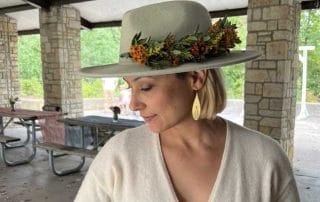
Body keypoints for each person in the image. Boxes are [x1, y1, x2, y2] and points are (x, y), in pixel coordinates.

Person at [75, 1, 300, 201]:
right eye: (129, 86)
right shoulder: (118, 157)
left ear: (195, 78)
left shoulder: (264, 159)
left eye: (145, 87)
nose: (133, 104)